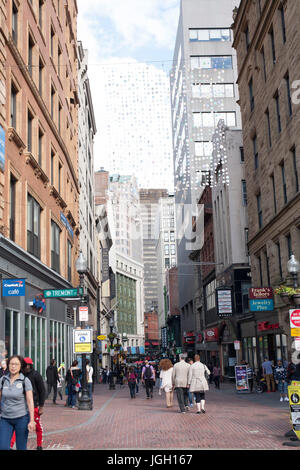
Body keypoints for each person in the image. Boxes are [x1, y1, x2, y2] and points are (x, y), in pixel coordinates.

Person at [0, 355, 36, 450]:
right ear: (8, 365)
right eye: (11, 364)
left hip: (21, 419)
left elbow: (30, 401)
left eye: (16, 364)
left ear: (20, 366)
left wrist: (32, 420)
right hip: (5, 419)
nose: (13, 367)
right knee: (3, 447)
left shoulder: (25, 381)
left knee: (21, 447)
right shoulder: (3, 380)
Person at [10, 357, 46, 450]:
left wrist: (41, 406)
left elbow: (42, 391)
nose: (27, 367)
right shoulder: (19, 375)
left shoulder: (36, 375)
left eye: (29, 365)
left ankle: (39, 445)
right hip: (21, 406)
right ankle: (10, 445)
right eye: (25, 365)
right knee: (16, 426)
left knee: (37, 426)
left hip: (34, 406)